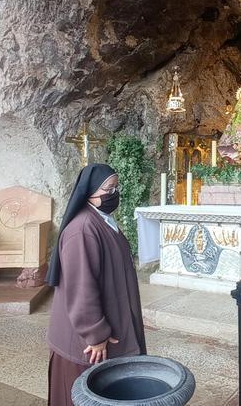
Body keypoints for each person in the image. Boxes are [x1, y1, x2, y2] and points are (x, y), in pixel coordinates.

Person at [45, 164, 146, 406]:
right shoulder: (82, 229)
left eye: (116, 188)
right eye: (108, 189)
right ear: (89, 191)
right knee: (85, 393)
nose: (114, 194)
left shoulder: (100, 218)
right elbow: (81, 288)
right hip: (86, 343)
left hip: (111, 320)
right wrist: (95, 334)